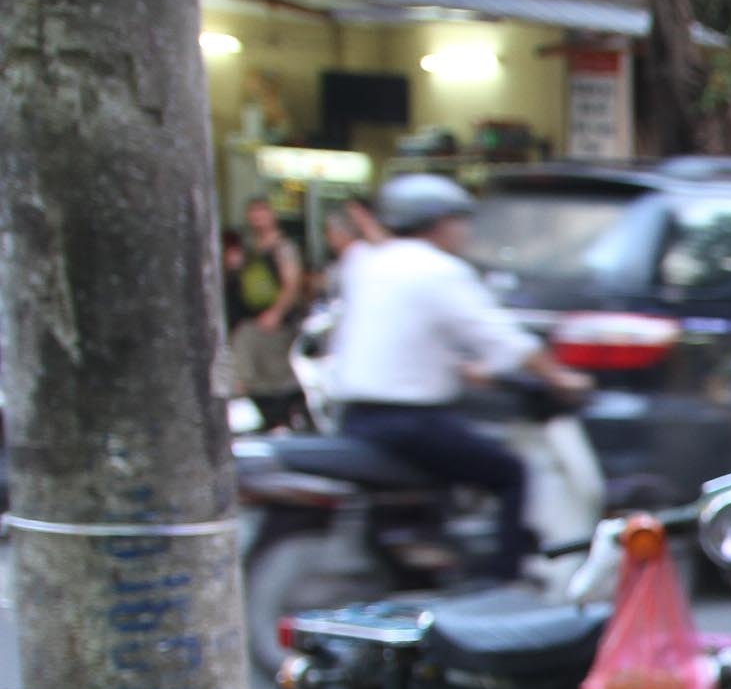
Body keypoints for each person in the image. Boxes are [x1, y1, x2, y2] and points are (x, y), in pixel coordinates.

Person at [328, 174, 590, 583]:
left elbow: (402, 332)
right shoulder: (438, 270)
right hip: (408, 424)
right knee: (510, 472)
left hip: (354, 416)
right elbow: (501, 338)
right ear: (439, 223)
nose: (465, 232)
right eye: (460, 221)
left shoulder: (364, 262)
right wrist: (559, 377)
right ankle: (504, 582)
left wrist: (463, 368)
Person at [227, 197, 309, 431]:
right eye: (252, 213)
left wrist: (276, 312)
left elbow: (291, 283)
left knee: (275, 376)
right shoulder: (250, 248)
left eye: (261, 212)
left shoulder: (283, 247)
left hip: (276, 324)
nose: (257, 218)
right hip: (253, 318)